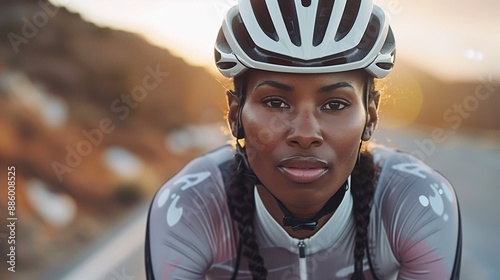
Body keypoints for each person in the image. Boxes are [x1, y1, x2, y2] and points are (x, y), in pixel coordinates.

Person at [145, 0, 462, 279]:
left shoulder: (417, 201)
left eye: (335, 104)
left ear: (371, 117)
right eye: (275, 102)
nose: (305, 134)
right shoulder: (189, 206)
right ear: (235, 114)